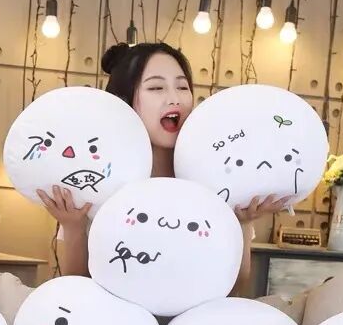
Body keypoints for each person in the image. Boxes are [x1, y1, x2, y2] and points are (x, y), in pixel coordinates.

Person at [36, 41, 294, 295]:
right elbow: (77, 287)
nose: (174, 99)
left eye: (182, 87)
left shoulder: (217, 181)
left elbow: (235, 289)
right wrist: (73, 225)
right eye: (156, 87)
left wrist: (242, 223)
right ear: (123, 102)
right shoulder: (99, 181)